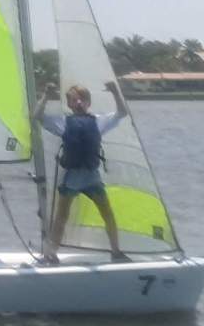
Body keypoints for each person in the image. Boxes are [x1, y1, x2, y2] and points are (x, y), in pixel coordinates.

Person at [32, 81, 131, 265]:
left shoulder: (99, 121)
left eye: (82, 99)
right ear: (69, 103)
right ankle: (51, 254)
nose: (79, 102)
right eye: (74, 99)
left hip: (92, 177)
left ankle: (116, 252)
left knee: (107, 214)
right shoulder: (63, 122)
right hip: (72, 178)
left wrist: (116, 91)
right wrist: (46, 95)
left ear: (88, 102)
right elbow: (37, 115)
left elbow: (122, 113)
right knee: (61, 218)